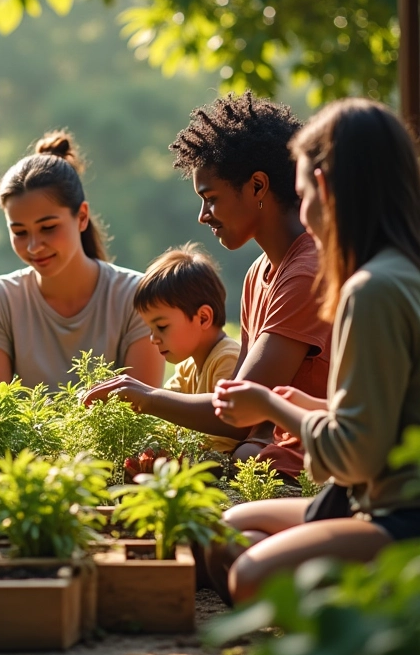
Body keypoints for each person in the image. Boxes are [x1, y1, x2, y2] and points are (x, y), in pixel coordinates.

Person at [208, 98, 420, 604]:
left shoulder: (372, 290)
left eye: (301, 194)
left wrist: (271, 407)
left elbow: (353, 457)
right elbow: (391, 421)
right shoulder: (401, 271)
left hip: (399, 512)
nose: (303, 213)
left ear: (324, 189)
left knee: (247, 572)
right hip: (378, 495)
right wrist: (314, 409)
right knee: (230, 530)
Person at [83, 91, 331, 478]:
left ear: (258, 186)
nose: (203, 216)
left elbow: (237, 413)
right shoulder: (258, 275)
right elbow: (247, 415)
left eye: (210, 198)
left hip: (311, 471)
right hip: (266, 464)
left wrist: (145, 397)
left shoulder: (306, 271)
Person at [0, 130, 164, 391]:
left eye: (48, 227)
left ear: (82, 217)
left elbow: (141, 411)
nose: (34, 246)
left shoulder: (138, 296)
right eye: (19, 232)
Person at [134, 242, 240, 453]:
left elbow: (226, 436)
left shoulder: (227, 359)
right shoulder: (187, 369)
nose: (153, 338)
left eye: (162, 326)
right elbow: (163, 418)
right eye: (150, 328)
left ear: (203, 318)